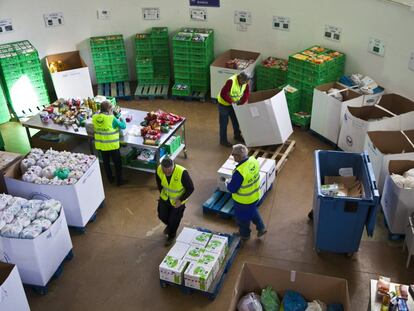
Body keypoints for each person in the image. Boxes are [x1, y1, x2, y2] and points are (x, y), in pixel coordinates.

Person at [226, 144, 267, 241]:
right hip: (255, 195)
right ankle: (261, 227)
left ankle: (244, 234)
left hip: (243, 201)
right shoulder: (253, 161)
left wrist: (227, 182)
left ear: (239, 156)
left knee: (242, 219)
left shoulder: (239, 172)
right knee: (252, 211)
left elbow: (232, 189)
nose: (232, 156)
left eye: (233, 154)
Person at [156, 157, 194, 246]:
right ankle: (170, 226)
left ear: (173, 166)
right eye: (165, 171)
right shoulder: (159, 169)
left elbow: (191, 188)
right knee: (161, 215)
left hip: (178, 201)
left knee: (174, 220)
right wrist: (161, 194)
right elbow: (159, 182)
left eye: (169, 171)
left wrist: (181, 200)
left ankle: (171, 235)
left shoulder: (182, 173)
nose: (167, 173)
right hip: (165, 198)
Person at [92, 101, 127, 186]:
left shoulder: (95, 117)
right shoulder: (111, 118)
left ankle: (110, 179)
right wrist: (122, 119)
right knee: (117, 163)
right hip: (112, 146)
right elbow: (123, 126)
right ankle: (119, 181)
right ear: (109, 109)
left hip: (101, 145)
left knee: (106, 163)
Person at [217, 72, 250, 147]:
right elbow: (223, 94)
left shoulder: (245, 82)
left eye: (246, 81)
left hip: (234, 105)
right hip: (224, 105)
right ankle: (223, 140)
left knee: (236, 121)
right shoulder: (231, 81)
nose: (245, 83)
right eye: (244, 81)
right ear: (240, 78)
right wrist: (231, 102)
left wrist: (242, 101)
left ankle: (237, 135)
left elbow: (246, 92)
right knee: (224, 123)